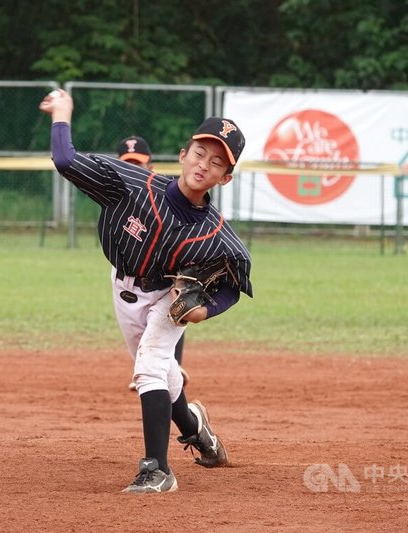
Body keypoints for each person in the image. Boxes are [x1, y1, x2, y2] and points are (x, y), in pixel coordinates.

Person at [39, 89, 253, 494]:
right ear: (183, 154)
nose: (204, 165)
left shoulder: (218, 236)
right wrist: (63, 112)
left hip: (169, 298)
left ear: (225, 177)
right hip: (122, 287)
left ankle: (157, 469)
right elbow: (65, 160)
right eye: (200, 153)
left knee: (150, 367)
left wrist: (203, 311)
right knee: (165, 375)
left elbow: (234, 285)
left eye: (218, 162)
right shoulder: (131, 184)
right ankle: (196, 429)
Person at [116, 135, 190, 393]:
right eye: (128, 163)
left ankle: (171, 366)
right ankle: (152, 368)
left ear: (150, 165)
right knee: (138, 323)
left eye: (139, 163)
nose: (134, 169)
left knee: (175, 306)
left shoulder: (165, 190)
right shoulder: (115, 192)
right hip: (129, 271)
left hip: (164, 267)